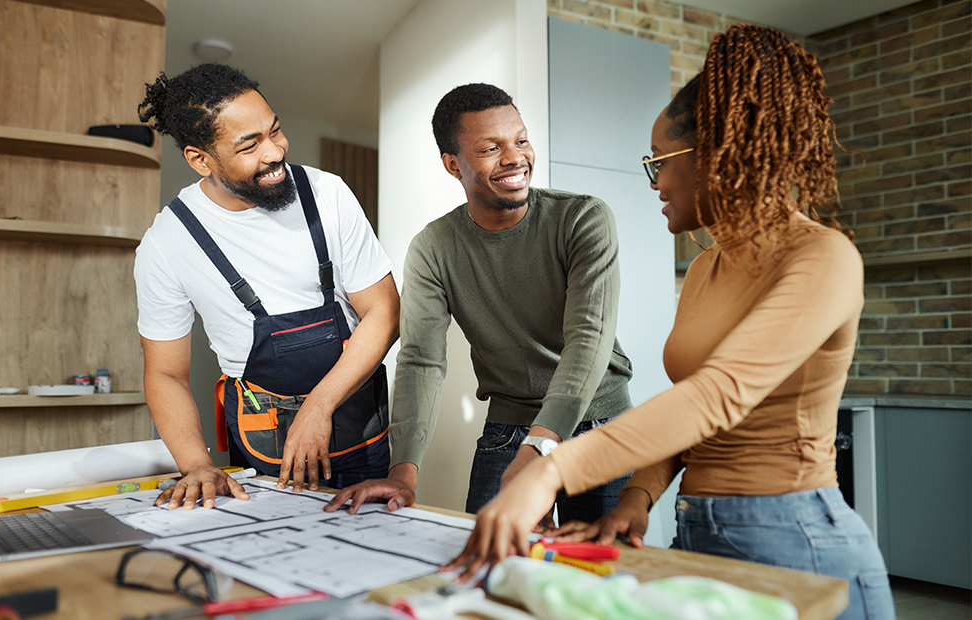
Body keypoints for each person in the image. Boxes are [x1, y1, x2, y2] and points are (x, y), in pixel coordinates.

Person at [446, 25, 895, 620]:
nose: (653, 179)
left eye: (661, 161)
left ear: (719, 154)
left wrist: (547, 474)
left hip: (796, 539)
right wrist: (638, 495)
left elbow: (717, 397)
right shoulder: (708, 267)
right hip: (697, 535)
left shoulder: (822, 257)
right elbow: (687, 407)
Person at [325, 83, 633, 523]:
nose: (515, 157)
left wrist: (541, 445)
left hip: (599, 421)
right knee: (489, 564)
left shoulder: (583, 218)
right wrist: (403, 471)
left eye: (521, 140)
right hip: (508, 426)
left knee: (601, 576)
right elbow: (421, 361)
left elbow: (589, 339)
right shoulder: (434, 246)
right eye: (491, 147)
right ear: (453, 165)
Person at [134, 63, 399, 510]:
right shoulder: (168, 243)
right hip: (264, 434)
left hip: (356, 417)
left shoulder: (327, 194)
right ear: (200, 159)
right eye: (249, 145)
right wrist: (196, 464)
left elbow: (384, 312)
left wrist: (319, 407)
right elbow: (165, 373)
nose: (275, 152)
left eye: (275, 131)